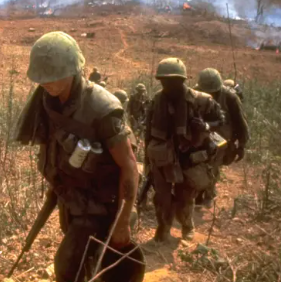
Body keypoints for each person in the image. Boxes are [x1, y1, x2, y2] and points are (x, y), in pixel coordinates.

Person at [15, 32, 141, 281]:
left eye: (53, 76)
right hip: (71, 198)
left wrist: (123, 220)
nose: (46, 83)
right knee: (84, 263)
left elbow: (129, 164)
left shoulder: (102, 108)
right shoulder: (47, 101)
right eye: (42, 78)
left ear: (73, 70)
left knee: (67, 268)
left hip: (99, 205)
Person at [145, 58, 224, 242]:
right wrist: (148, 161)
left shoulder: (201, 100)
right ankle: (164, 227)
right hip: (163, 156)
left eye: (173, 81)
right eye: (164, 81)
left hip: (189, 157)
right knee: (162, 197)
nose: (168, 85)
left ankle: (187, 225)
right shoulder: (157, 101)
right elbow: (148, 132)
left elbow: (221, 120)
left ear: (182, 80)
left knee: (185, 197)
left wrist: (205, 126)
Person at [195, 68, 249, 207]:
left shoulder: (230, 98)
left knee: (213, 164)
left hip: (221, 137)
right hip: (200, 134)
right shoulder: (195, 93)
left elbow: (241, 123)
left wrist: (241, 145)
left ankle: (208, 194)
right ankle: (198, 192)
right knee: (197, 162)